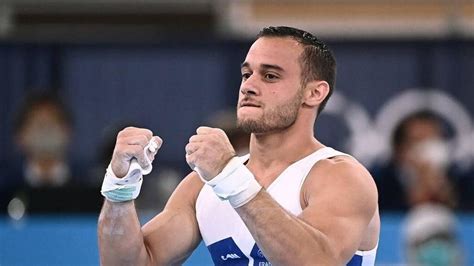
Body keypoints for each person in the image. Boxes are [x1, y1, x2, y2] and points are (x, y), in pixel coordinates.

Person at [98, 26, 380, 265]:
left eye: (270, 76)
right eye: (247, 74)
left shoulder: (341, 177)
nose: (249, 86)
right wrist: (119, 189)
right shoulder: (202, 186)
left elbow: (319, 261)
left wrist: (233, 179)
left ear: (314, 92)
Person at [373, 110, 457, 212]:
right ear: (400, 149)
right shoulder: (379, 181)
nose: (428, 149)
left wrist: (440, 186)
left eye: (432, 140)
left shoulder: (458, 176)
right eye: (419, 141)